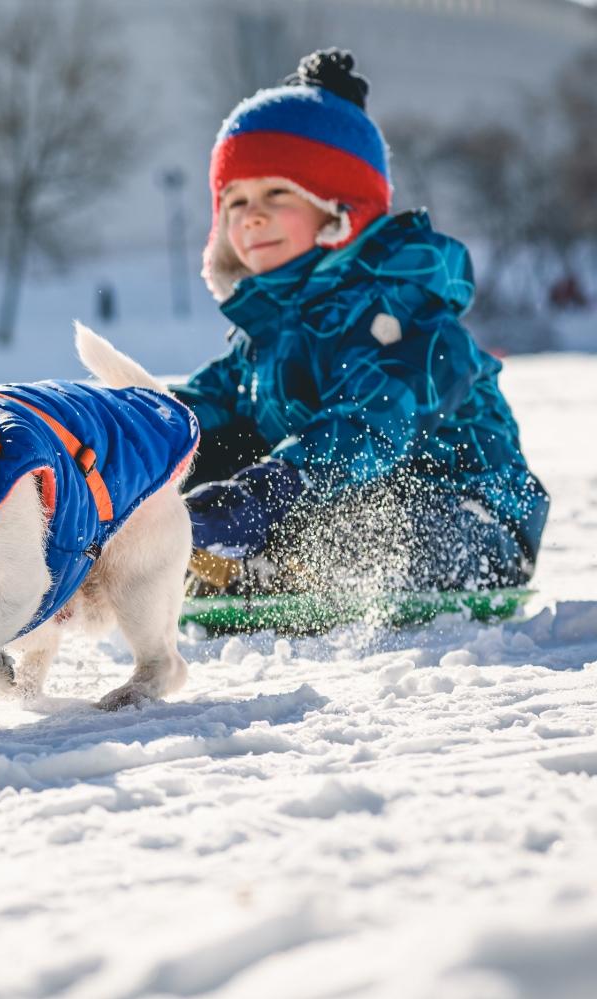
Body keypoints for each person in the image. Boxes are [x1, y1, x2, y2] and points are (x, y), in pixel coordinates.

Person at [172, 48, 549, 598]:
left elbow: (372, 423)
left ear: (340, 208)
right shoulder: (265, 333)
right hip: (323, 500)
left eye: (278, 193)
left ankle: (264, 566)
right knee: (186, 456)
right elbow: (206, 406)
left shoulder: (408, 315)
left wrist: (271, 489)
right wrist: (121, 434)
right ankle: (204, 559)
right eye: (235, 201)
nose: (250, 215)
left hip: (470, 519)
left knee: (354, 531)